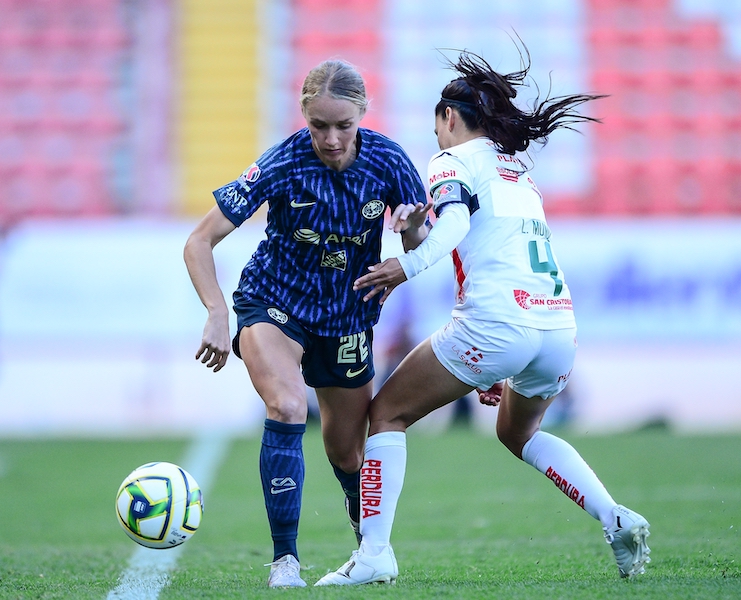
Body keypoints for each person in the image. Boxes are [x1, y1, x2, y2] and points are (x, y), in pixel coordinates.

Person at [316, 46, 650, 586]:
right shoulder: (516, 171)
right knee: (519, 433)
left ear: (448, 118)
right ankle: (615, 517)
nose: (437, 143)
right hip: (557, 329)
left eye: (437, 130)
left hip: (498, 324)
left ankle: (374, 554)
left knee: (386, 415)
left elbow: (450, 228)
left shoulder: (452, 161)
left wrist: (406, 265)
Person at [182, 59, 431, 588]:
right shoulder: (283, 162)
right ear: (304, 117)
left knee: (346, 450)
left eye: (344, 125)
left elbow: (420, 244)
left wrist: (411, 236)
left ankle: (369, 548)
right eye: (319, 126)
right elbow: (199, 240)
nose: (332, 138)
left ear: (363, 115)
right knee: (289, 406)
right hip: (274, 303)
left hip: (346, 318)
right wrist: (216, 311)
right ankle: (285, 562)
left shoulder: (390, 163)